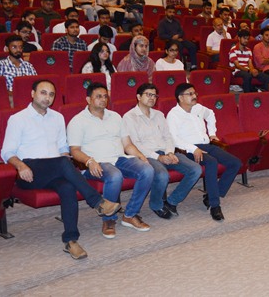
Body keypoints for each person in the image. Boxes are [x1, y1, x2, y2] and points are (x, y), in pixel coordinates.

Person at [1, 79, 122, 260]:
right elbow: (7, 152)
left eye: (51, 94)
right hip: (29, 171)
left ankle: (71, 241)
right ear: (33, 94)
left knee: (67, 186)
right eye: (43, 93)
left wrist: (66, 160)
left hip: (54, 169)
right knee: (63, 163)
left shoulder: (57, 117)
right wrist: (20, 166)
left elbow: (63, 148)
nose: (47, 97)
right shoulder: (18, 119)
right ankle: (98, 202)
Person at [68, 82, 155, 237]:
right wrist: (89, 161)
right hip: (96, 162)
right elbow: (74, 150)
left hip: (119, 158)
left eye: (105, 96)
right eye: (98, 96)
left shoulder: (115, 117)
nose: (103, 99)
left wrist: (140, 155)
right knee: (115, 175)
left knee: (147, 170)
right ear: (88, 99)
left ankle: (130, 214)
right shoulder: (78, 121)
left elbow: (127, 144)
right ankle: (108, 219)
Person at [123, 83, 203, 219]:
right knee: (162, 175)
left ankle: (172, 201)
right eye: (148, 94)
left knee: (195, 169)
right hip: (146, 155)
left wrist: (170, 152)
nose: (152, 98)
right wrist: (158, 157)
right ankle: (156, 205)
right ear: (138, 97)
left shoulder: (159, 114)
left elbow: (168, 137)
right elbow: (136, 144)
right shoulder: (129, 117)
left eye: (154, 95)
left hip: (166, 151)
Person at [166, 83, 241, 221]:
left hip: (206, 145)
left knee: (235, 163)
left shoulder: (198, 108)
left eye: (195, 93)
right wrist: (193, 148)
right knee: (211, 162)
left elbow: (211, 114)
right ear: (180, 98)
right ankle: (215, 205)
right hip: (188, 149)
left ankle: (212, 194)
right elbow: (173, 139)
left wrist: (212, 133)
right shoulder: (173, 115)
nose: (194, 96)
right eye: (190, 94)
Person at [157, 5, 198, 70]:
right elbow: (161, 35)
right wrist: (172, 37)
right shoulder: (162, 23)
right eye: (170, 12)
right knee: (179, 46)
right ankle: (179, 66)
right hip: (169, 41)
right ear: (166, 12)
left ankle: (193, 65)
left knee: (192, 46)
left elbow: (181, 32)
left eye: (173, 12)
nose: (172, 14)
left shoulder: (176, 21)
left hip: (179, 39)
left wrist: (178, 36)